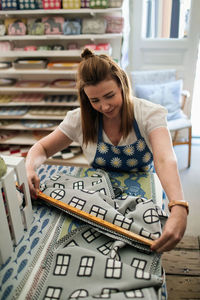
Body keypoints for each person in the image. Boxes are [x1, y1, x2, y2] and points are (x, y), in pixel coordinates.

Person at [26, 48, 188, 253]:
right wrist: (29, 166)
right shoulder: (79, 120)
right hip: (100, 198)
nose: (104, 106)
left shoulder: (149, 114)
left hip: (143, 197)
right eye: (95, 101)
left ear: (122, 85)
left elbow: (165, 159)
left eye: (109, 96)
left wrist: (178, 205)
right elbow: (42, 147)